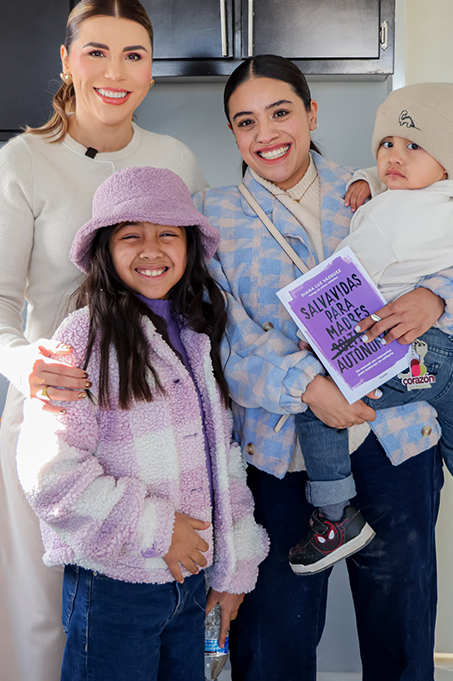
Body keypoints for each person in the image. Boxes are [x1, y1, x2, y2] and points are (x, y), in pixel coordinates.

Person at [195, 55, 453, 680]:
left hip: (397, 437)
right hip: (283, 447)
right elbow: (224, 342)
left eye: (281, 112)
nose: (266, 134)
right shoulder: (213, 216)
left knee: (401, 634)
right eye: (246, 122)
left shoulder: (381, 184)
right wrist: (309, 388)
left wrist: (436, 297)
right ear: (232, 133)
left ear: (311, 114)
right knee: (274, 641)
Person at [0, 0, 206, 680]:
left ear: (152, 68)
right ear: (67, 60)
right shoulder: (23, 162)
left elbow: (198, 284)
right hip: (57, 411)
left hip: (158, 423)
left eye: (134, 55)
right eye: (97, 51)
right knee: (42, 612)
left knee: (152, 599)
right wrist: (25, 362)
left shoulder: (176, 160)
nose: (115, 71)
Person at [15, 165, 268, 681]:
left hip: (192, 584)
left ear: (189, 247)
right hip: (114, 587)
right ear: (105, 250)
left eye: (167, 234)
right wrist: (158, 529)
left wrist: (235, 567)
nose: (151, 250)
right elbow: (51, 476)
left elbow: (225, 461)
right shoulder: (82, 338)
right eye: (131, 236)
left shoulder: (198, 334)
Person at [289, 82, 453, 604]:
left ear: (444, 161)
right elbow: (399, 176)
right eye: (386, 144)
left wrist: (316, 322)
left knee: (320, 404)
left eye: (412, 146)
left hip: (415, 355)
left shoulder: (388, 219)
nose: (393, 158)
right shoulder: (443, 198)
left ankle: (335, 517)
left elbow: (347, 276)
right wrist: (368, 178)